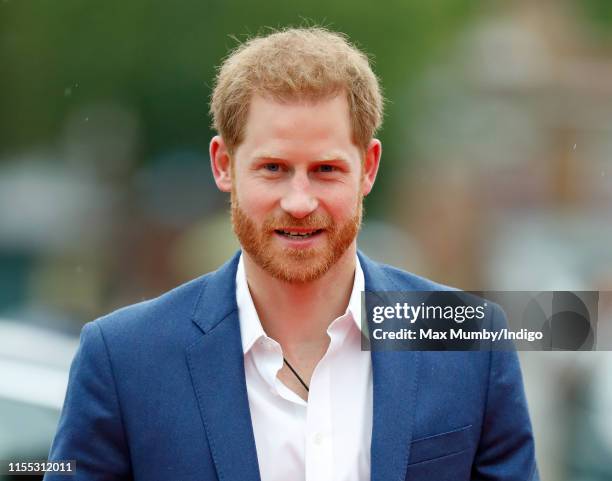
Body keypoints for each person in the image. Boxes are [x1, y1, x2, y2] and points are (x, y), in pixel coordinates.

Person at [45, 27, 538, 481]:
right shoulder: (122, 359)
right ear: (224, 165)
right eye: (274, 168)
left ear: (368, 168)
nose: (299, 203)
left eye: (325, 169)